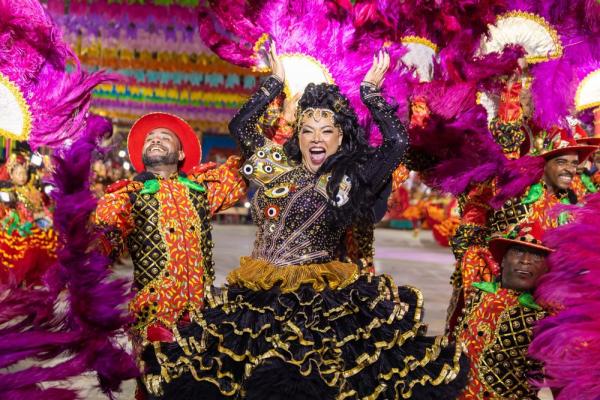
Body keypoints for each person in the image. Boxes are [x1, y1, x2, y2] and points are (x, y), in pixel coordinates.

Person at [141, 45, 467, 400]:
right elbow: (241, 125)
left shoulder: (348, 180)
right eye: (308, 130)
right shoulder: (274, 168)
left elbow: (397, 142)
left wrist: (370, 93)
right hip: (258, 297)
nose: (316, 138)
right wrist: (274, 84)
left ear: (340, 138)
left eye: (326, 131)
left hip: (322, 302)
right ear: (297, 135)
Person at [93, 112, 246, 399]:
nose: (155, 140)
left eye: (164, 137)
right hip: (156, 318)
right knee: (160, 389)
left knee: (205, 386)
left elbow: (243, 171)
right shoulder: (127, 195)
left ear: (181, 153)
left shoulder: (200, 190)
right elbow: (103, 235)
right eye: (150, 138)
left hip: (203, 314)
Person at [446, 127, 597, 333]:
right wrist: (475, 249)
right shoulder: (520, 190)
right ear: (544, 164)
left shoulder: (565, 210)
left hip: (534, 302)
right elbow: (479, 196)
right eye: (562, 162)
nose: (569, 169)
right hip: (491, 286)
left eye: (573, 163)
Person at [454, 222, 551, 399]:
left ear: (546, 268)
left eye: (537, 256)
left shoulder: (547, 316)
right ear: (503, 259)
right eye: (518, 251)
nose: (525, 260)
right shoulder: (478, 293)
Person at [0, 152, 57, 286]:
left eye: (24, 172)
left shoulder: (33, 188)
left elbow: (43, 206)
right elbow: (16, 213)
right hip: (22, 226)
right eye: (18, 173)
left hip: (40, 224)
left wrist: (48, 216)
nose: (22, 176)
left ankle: (44, 278)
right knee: (29, 247)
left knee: (53, 236)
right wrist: (34, 217)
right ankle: (24, 278)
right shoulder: (11, 192)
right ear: (11, 175)